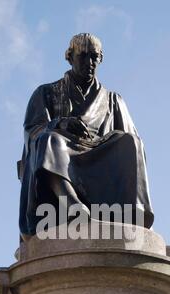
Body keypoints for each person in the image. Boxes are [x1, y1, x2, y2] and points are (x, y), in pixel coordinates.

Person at [19, 33, 154, 240]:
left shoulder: (113, 100)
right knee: (47, 140)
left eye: (94, 57)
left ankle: (133, 214)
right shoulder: (46, 93)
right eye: (83, 56)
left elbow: (129, 138)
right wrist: (61, 123)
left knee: (131, 142)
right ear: (70, 57)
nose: (89, 63)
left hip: (100, 154)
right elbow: (33, 131)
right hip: (65, 151)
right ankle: (72, 205)